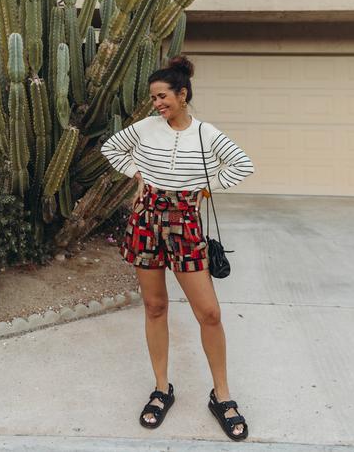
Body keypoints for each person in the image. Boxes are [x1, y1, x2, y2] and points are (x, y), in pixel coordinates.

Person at [101, 54, 255, 441]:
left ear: (182, 94)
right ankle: (161, 388)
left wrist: (204, 188)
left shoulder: (205, 133)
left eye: (163, 96)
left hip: (185, 222)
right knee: (155, 306)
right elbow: (111, 149)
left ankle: (222, 396)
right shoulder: (147, 128)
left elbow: (241, 165)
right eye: (153, 98)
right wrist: (138, 174)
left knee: (210, 313)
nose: (157, 104)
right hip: (146, 218)